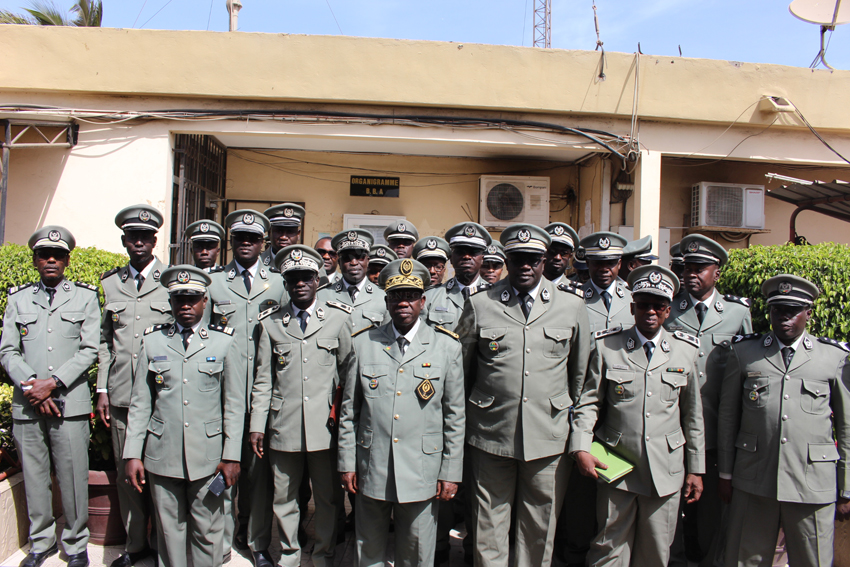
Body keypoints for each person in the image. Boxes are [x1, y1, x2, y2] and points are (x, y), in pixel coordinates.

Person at [456, 223, 591, 567]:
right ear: (506, 260)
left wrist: (576, 433)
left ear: (545, 260)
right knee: (488, 527)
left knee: (539, 529)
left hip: (548, 435)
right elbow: (462, 372)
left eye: (533, 258)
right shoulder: (481, 304)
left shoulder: (571, 306)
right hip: (491, 433)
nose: (525, 266)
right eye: (517, 259)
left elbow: (582, 379)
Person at [570, 265, 705, 566]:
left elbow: (693, 416)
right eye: (643, 305)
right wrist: (580, 446)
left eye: (658, 306)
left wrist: (696, 469)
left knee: (655, 552)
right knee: (608, 548)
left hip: (665, 470)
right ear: (632, 307)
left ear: (668, 310)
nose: (650, 312)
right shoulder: (608, 346)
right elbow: (589, 401)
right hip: (617, 465)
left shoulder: (686, 351)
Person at [339, 258, 465, 567]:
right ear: (386, 301)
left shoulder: (446, 347)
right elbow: (348, 413)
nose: (403, 302)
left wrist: (450, 472)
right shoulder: (363, 344)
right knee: (367, 548)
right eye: (396, 295)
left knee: (418, 551)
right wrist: (346, 462)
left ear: (423, 301)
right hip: (372, 464)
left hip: (423, 467)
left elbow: (455, 417)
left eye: (410, 295)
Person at [718, 274, 850, 566]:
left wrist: (846, 486)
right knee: (745, 558)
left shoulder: (833, 357)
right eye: (778, 310)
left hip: (812, 480)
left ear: (808, 313)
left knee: (812, 559)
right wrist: (726, 474)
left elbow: (846, 426)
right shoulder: (746, 352)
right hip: (754, 478)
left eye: (793, 311)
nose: (784, 318)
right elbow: (728, 417)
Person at [124, 265, 244, 567]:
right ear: (171, 303)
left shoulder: (224, 342)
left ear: (205, 301)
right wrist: (132, 454)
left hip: (208, 456)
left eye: (193, 299)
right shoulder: (152, 341)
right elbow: (140, 403)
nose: (186, 305)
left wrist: (231, 455)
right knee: (168, 532)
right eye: (179, 299)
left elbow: (234, 404)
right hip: (162, 455)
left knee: (208, 529)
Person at [249, 245, 355, 567]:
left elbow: (348, 374)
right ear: (285, 282)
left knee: (327, 499)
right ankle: (291, 556)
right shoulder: (270, 324)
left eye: (306, 277)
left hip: (325, 426)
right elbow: (263, 379)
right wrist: (257, 425)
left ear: (317, 278)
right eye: (292, 278)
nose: (300, 284)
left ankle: (323, 555)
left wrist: (345, 418)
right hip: (284, 425)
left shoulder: (338, 318)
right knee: (284, 498)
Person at [0, 226, 99, 567]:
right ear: (35, 260)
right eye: (44, 255)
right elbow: (8, 350)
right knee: (35, 475)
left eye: (58, 255)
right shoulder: (18, 298)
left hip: (68, 402)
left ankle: (75, 545)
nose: (51, 260)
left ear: (68, 260)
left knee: (72, 477)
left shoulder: (85, 297)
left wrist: (53, 382)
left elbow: (89, 350)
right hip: (28, 405)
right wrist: (33, 384)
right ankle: (40, 543)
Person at [665, 234, 752, 567]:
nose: (692, 274)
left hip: (717, 434)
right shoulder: (668, 309)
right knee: (672, 514)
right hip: (674, 430)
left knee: (712, 517)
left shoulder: (736, 313)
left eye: (700, 268)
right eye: (687, 267)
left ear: (717, 272)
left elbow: (745, 374)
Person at [206, 209, 287, 562]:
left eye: (253, 239)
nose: (245, 244)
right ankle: (222, 542)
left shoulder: (280, 283)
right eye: (239, 238)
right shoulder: (214, 282)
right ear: (232, 242)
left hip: (264, 390)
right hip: (221, 390)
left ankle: (255, 541)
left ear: (263, 244)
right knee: (222, 466)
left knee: (257, 476)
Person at [97, 204, 172, 567]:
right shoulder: (110, 283)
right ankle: (135, 544)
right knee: (128, 473)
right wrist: (101, 390)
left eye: (145, 236)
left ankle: (161, 543)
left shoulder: (171, 281)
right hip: (123, 395)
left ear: (154, 240)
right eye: (133, 236)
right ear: (125, 240)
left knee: (158, 471)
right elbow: (104, 341)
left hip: (161, 396)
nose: (139, 242)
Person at [560, 231, 632, 567]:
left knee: (616, 494)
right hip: (578, 407)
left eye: (610, 262)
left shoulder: (635, 300)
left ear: (620, 264)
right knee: (578, 494)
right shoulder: (568, 297)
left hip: (618, 412)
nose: (603, 268)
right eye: (596, 262)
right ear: (585, 263)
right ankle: (573, 552)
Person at [421, 222, 492, 331]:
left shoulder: (495, 297)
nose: (467, 257)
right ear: (451, 259)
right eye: (460, 252)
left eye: (473, 252)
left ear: (482, 258)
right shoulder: (430, 298)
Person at [319, 229, 389, 334]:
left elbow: (388, 340)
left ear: (367, 261)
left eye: (360, 257)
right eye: (347, 258)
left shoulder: (383, 297)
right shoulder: (322, 296)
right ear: (339, 262)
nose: (354, 263)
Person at [260, 203, 305, 268]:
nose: (284, 237)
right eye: (279, 231)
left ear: (298, 235)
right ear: (270, 233)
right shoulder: (257, 262)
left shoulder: (309, 264)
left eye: (290, 232)